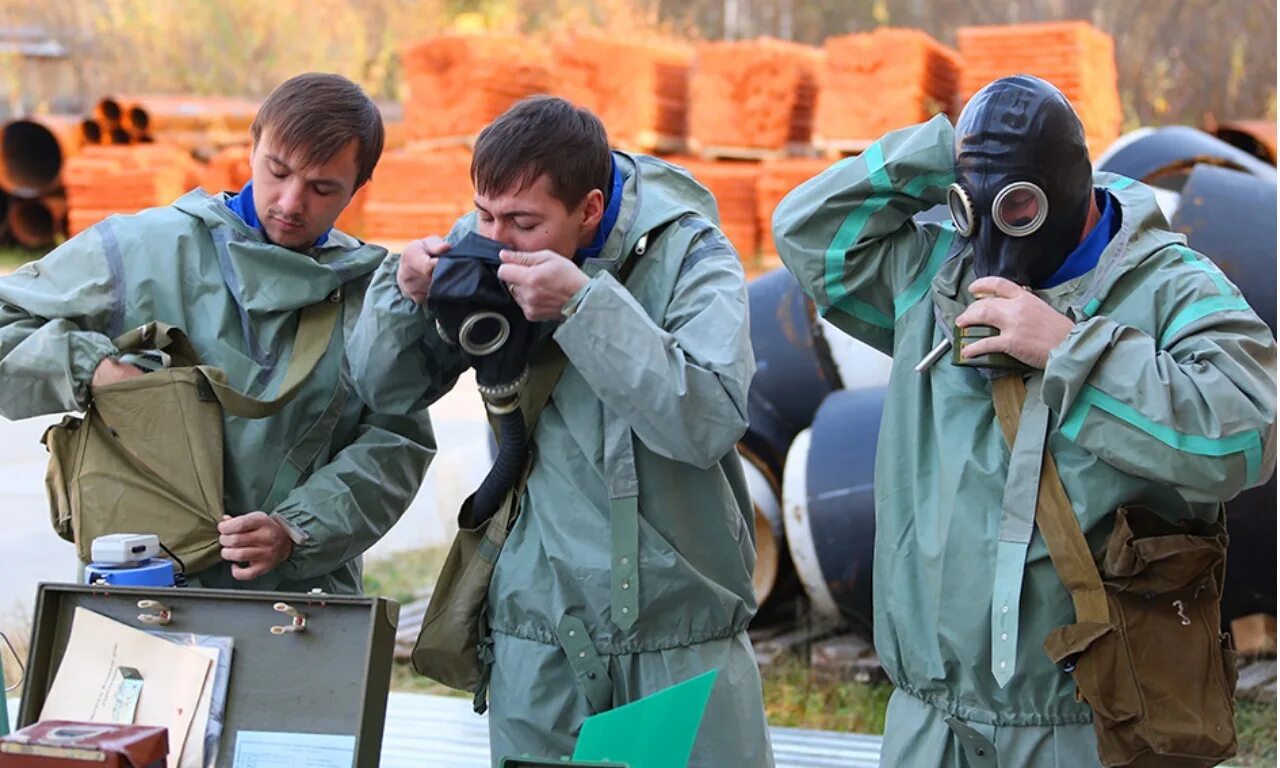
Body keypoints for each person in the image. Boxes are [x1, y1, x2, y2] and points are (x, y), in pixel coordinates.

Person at [773, 74, 1277, 766]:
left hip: (1088, 720)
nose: (992, 245)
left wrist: (1071, 352)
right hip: (933, 721)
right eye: (971, 207)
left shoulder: (1169, 288)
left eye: (1016, 208)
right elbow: (807, 233)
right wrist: (948, 150)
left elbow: (1247, 434)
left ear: (1067, 189)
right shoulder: (936, 275)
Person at [346, 95, 773, 766]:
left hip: (674, 631)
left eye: (521, 221)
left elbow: (708, 422)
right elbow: (384, 389)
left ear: (591, 209)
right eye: (484, 215)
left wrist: (583, 305)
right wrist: (403, 295)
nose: (496, 239)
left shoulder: (691, 253)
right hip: (536, 631)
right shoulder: (487, 238)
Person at [0, 72, 435, 594]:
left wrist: (298, 529)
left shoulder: (370, 298)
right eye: (277, 171)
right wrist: (89, 366)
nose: (291, 202)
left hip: (297, 602)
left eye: (322, 188)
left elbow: (396, 440)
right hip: (143, 590)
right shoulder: (141, 250)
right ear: (252, 148)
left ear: (359, 189)